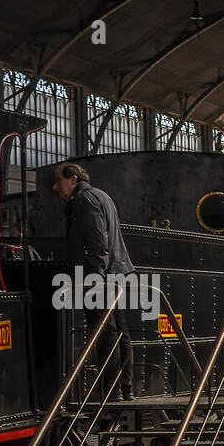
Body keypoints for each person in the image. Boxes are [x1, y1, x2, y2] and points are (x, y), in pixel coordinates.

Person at [52, 162, 136, 400]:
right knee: (119, 330)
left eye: (58, 180)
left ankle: (110, 389)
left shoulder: (83, 200)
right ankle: (125, 387)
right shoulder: (102, 196)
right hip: (115, 271)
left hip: (100, 273)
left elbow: (98, 241)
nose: (55, 186)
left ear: (73, 179)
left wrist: (96, 276)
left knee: (104, 331)